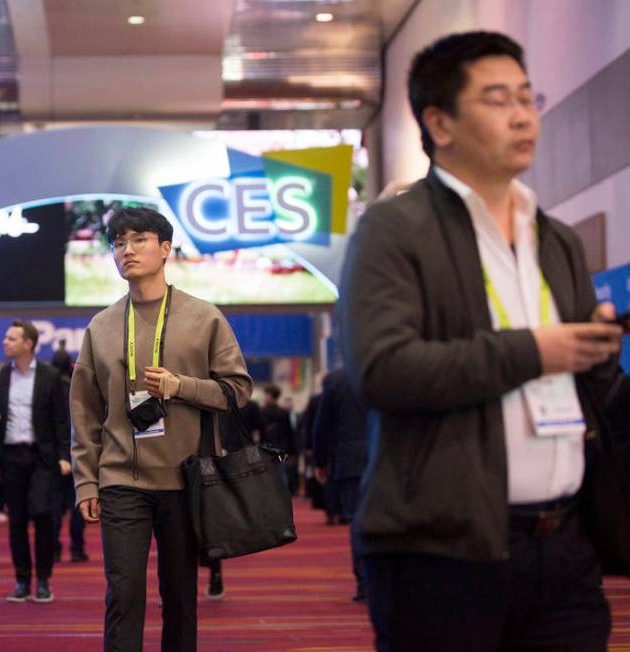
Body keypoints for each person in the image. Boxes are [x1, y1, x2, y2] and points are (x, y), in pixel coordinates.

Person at [339, 31, 630, 651]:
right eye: (498, 100)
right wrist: (535, 350)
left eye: (529, 97)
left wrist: (596, 350)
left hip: (564, 544)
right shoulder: (396, 229)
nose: (524, 116)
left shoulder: (554, 238)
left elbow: (587, 386)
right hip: (441, 552)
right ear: (439, 122)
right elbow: (383, 369)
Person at [70, 206, 252, 651]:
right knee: (123, 594)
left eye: (138, 240)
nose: (126, 251)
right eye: (118, 243)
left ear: (165, 248)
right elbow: (85, 410)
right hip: (120, 480)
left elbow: (238, 390)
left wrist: (180, 386)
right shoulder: (101, 326)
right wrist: (85, 482)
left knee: (180, 597)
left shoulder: (203, 317)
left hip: (185, 479)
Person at [0, 320, 69, 603]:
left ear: (28, 343)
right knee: (16, 521)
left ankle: (43, 580)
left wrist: (65, 456)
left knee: (42, 515)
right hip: (10, 458)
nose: (5, 342)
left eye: (11, 338)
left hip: (41, 457)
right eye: (6, 338)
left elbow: (61, 420)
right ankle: (21, 581)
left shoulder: (50, 376)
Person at [311, 367, 368, 601]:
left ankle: (365, 585)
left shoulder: (336, 380)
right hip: (388, 459)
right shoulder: (392, 372)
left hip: (350, 460)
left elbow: (322, 424)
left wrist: (320, 460)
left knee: (357, 521)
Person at [49, 345, 88, 563]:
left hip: (56, 457)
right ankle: (76, 549)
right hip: (78, 454)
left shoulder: (47, 390)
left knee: (55, 506)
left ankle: (54, 548)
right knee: (77, 505)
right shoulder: (77, 390)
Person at [259, 385, 299, 494]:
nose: (264, 397)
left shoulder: (261, 412)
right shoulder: (284, 413)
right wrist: (292, 452)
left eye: (265, 395)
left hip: (265, 448)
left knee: (266, 474)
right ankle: (283, 497)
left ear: (270, 396)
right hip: (281, 448)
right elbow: (289, 433)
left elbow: (258, 432)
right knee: (281, 473)